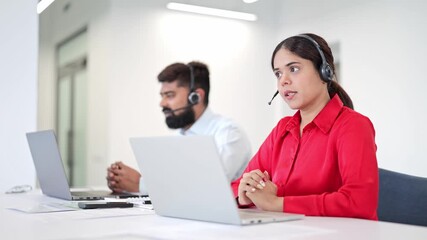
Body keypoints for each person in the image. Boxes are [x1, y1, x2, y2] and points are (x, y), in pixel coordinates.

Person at [232, 33, 378, 220]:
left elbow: (359, 202)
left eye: (293, 69)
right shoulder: (283, 129)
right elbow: (237, 185)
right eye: (278, 73)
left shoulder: (353, 126)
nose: (283, 81)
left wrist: (277, 204)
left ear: (325, 71)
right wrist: (244, 195)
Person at [107, 61, 252, 193]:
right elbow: (173, 185)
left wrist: (141, 185)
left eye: (169, 95)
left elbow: (209, 187)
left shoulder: (229, 133)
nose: (162, 103)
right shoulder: (180, 137)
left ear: (196, 97)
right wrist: (122, 181)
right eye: (162, 96)